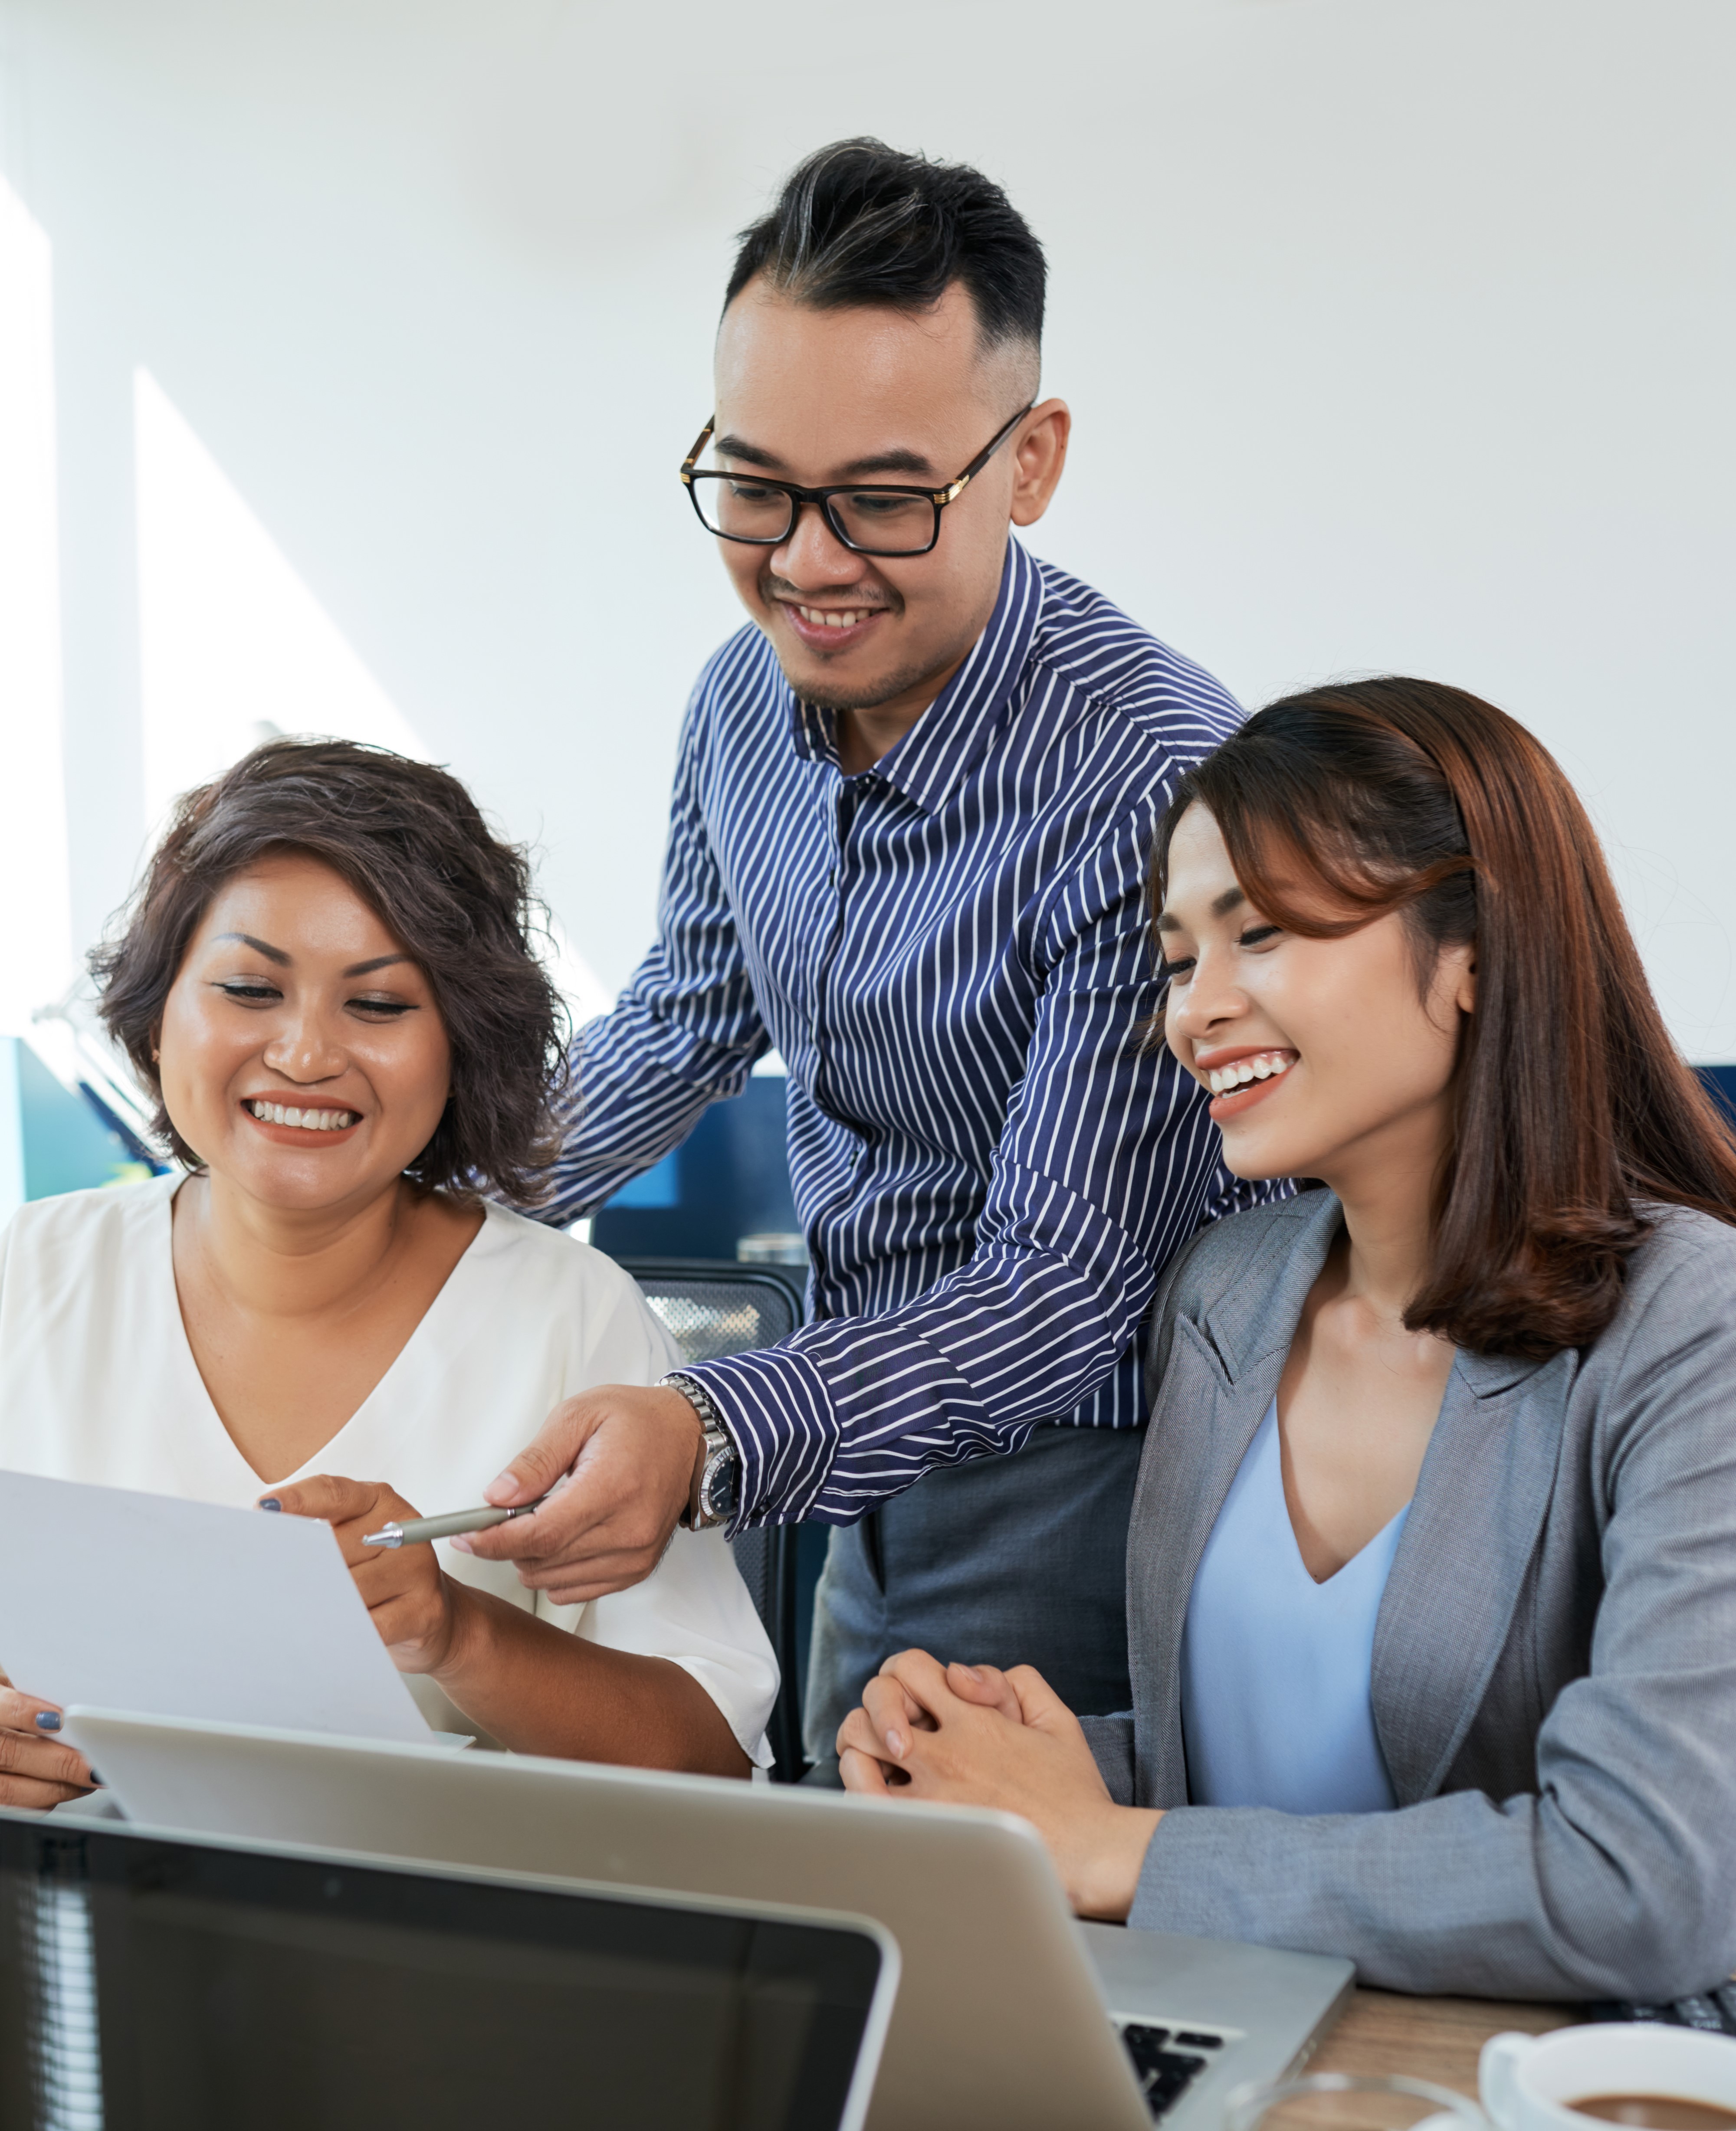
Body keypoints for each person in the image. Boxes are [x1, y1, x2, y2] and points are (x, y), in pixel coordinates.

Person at [461, 138, 1273, 1764]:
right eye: (754, 487)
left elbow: (1070, 1288)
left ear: (1028, 462)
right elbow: (687, 1015)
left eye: (884, 500)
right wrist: (428, 1199)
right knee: (850, 1882)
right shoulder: (741, 699)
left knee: (1005, 1947)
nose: (809, 563)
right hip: (857, 1429)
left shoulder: (1154, 778)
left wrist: (709, 1429)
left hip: (1095, 1469)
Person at [835, 676, 1736, 2004]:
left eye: (1257, 934)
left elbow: (1643, 1882)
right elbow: (1265, 1769)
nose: (1192, 1013)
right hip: (1256, 2027)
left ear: (1472, 948)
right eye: (1175, 956)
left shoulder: (1690, 1326)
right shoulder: (1227, 1296)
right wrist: (1001, 1762)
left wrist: (1114, 1847)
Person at [0, 739, 776, 1811]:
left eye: (378, 1004)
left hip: (427, 1949)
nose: (308, 1055)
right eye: (249, 987)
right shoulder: (24, 1275)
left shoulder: (566, 1310)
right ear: (156, 1011)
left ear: (463, 1040)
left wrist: (455, 1630)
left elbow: (713, 1766)